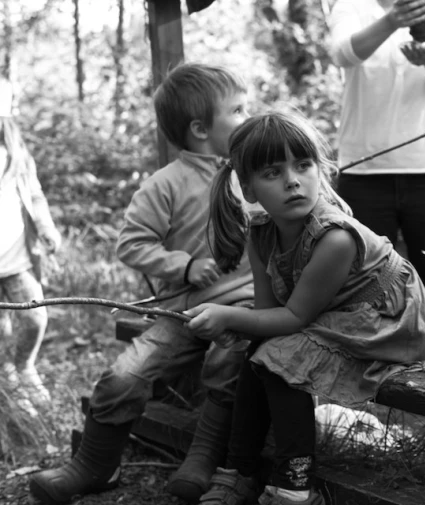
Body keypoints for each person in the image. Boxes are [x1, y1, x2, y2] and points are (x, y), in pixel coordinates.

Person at [183, 110, 425, 505]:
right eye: (272, 173)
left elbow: (294, 318)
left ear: (321, 170)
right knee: (259, 354)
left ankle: (295, 485)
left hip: (385, 321)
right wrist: (238, 325)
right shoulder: (262, 233)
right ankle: (239, 470)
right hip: (335, 313)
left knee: (282, 361)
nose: (292, 181)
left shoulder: (335, 238)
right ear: (248, 190)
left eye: (303, 165)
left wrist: (228, 314)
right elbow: (270, 313)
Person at [29, 63, 255, 505]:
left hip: (247, 308)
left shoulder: (253, 175)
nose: (249, 117)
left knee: (226, 362)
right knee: (123, 374)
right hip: (184, 309)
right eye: (239, 110)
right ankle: (96, 465)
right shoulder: (165, 184)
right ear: (199, 129)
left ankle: (203, 458)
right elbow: (131, 244)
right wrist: (183, 265)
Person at [328, 0, 425, 353]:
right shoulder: (351, 6)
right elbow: (341, 53)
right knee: (364, 278)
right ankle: (365, 367)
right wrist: (392, 21)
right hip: (364, 168)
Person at [0, 78, 61, 414]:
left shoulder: (16, 157)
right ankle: (7, 377)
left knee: (36, 317)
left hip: (16, 261)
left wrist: (46, 227)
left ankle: (24, 365)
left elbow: (35, 197)